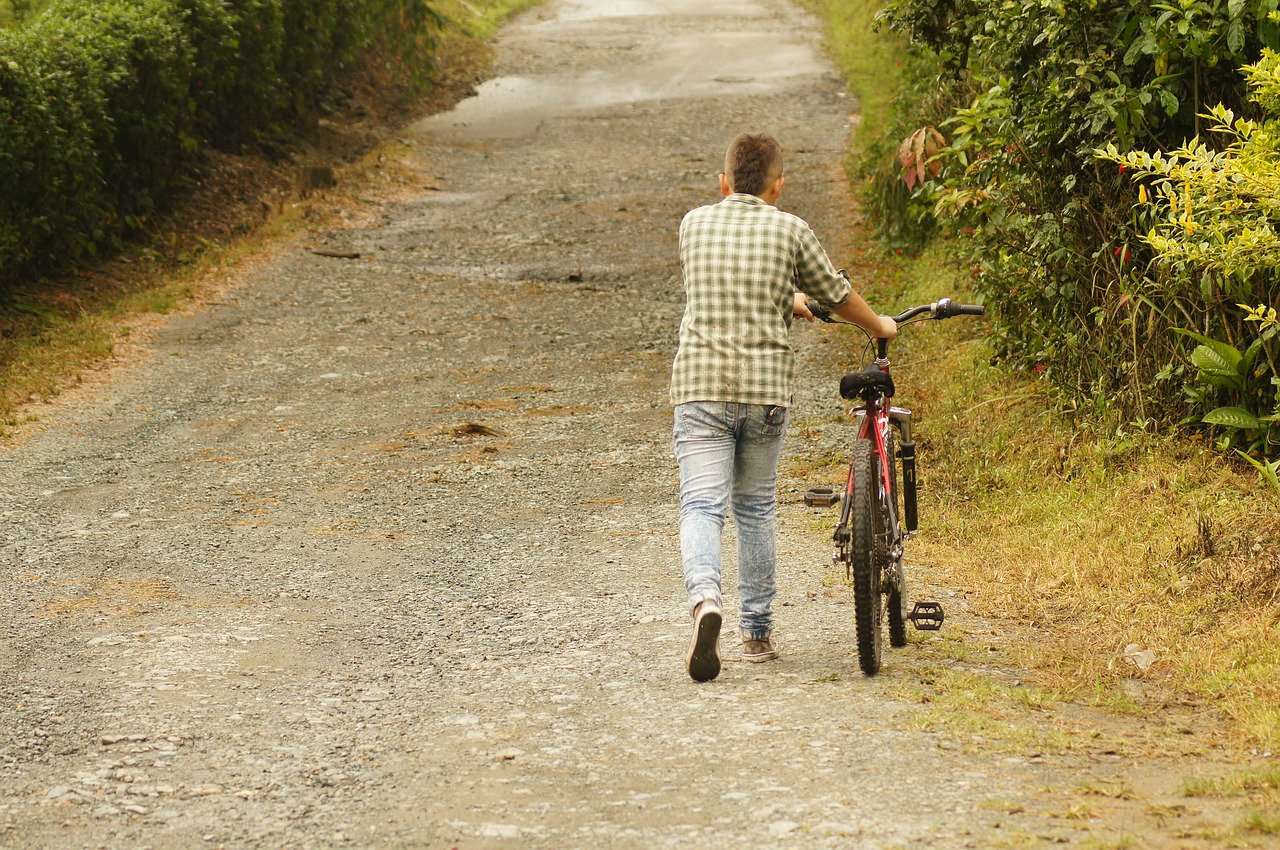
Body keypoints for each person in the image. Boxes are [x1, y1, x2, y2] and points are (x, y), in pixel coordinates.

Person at [670, 131, 897, 682]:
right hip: (765, 391)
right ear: (778, 187)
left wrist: (783, 299)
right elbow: (837, 294)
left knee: (702, 506)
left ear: (723, 183)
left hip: (701, 386)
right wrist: (879, 324)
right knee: (754, 507)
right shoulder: (790, 229)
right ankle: (757, 632)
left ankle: (706, 602)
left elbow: (727, 285)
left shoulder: (693, 224)